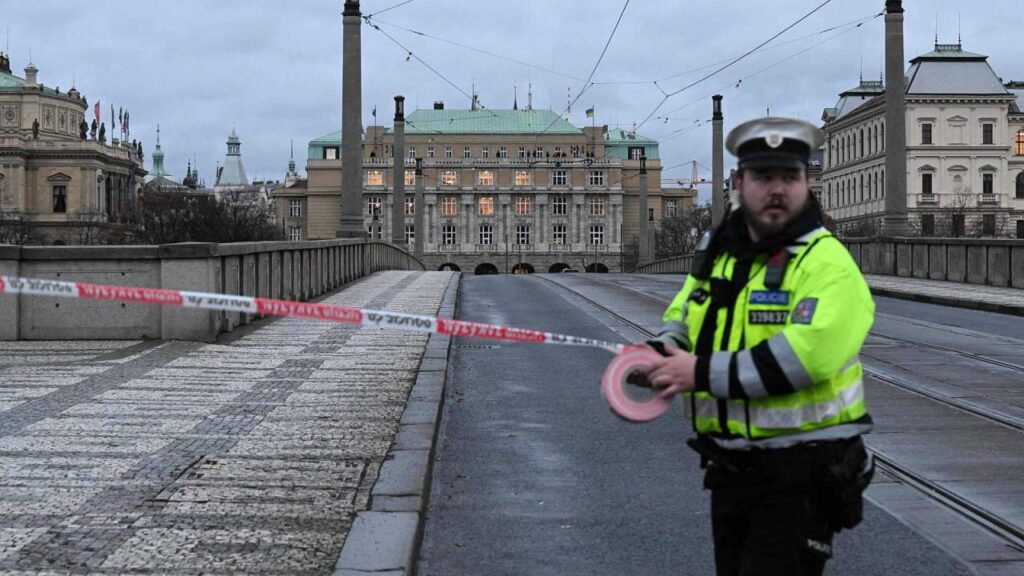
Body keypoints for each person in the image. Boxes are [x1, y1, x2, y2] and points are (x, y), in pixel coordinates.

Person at [636, 117, 876, 576]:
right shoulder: (724, 255)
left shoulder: (826, 261)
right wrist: (660, 353)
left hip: (802, 471)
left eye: (790, 177)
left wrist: (698, 373)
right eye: (764, 177)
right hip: (730, 468)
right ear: (740, 183)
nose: (778, 189)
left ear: (806, 184)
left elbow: (808, 355)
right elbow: (685, 317)